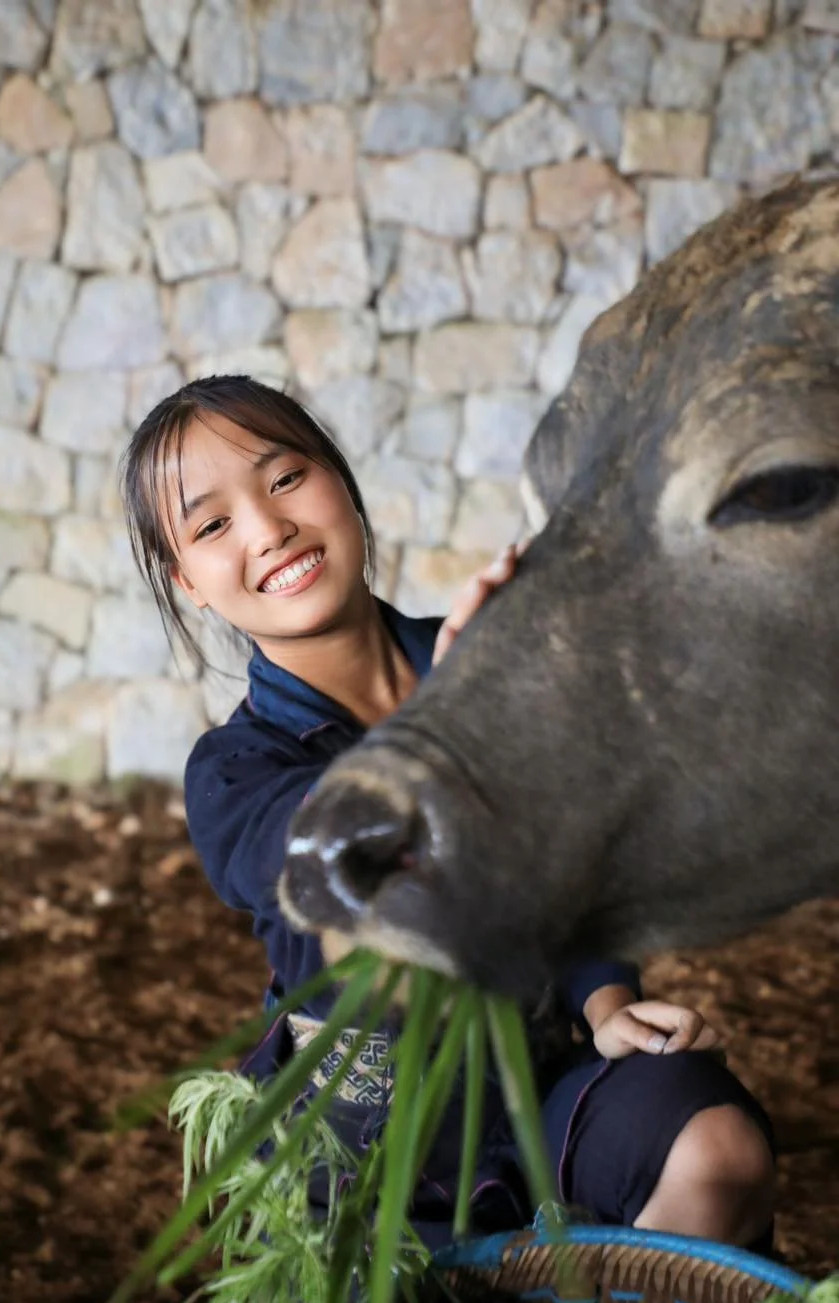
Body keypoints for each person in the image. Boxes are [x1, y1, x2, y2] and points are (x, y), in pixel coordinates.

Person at [120, 373, 776, 1254]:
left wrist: (609, 1003)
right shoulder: (235, 772)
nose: (269, 528)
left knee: (717, 1145)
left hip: (547, 1085)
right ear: (188, 582)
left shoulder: (484, 661)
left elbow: (569, 868)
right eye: (212, 525)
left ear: (342, 486)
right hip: (378, 1165)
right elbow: (328, 865)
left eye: (284, 480)